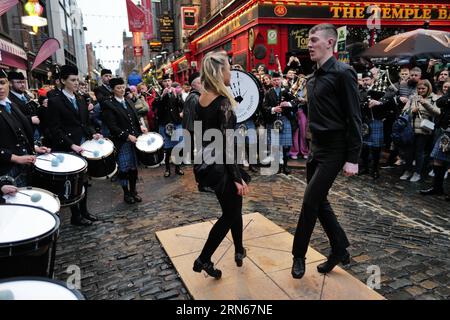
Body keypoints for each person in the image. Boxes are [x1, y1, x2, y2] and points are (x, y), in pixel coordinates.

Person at [291, 24, 362, 279]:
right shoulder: (312, 78)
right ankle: (339, 247)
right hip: (316, 148)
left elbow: (354, 117)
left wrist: (353, 158)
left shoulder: (344, 73)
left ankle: (298, 255)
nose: (309, 45)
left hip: (335, 150)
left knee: (310, 201)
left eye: (313, 40)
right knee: (320, 202)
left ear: (330, 42)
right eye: (309, 40)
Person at [192, 51, 250, 279]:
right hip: (223, 166)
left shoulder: (201, 99)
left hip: (210, 162)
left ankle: (238, 250)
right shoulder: (223, 102)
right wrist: (237, 177)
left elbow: (201, 136)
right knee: (230, 213)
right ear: (219, 72)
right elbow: (226, 146)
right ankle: (204, 258)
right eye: (228, 68)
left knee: (233, 210)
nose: (231, 73)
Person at [47, 65, 101, 226]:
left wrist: (93, 133)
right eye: (72, 80)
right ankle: (75, 216)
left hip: (83, 145)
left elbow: (85, 123)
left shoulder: (79, 98)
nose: (76, 83)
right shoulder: (55, 101)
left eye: (77, 79)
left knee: (84, 180)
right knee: (72, 183)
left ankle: (84, 211)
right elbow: (55, 129)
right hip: (67, 148)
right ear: (63, 81)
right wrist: (71, 145)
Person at [0, 69, 51, 188]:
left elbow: (18, 133)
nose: (0, 87)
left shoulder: (10, 104)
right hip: (6, 170)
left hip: (24, 164)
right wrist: (16, 158)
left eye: (2, 82)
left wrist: (35, 147)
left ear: (8, 83)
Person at [102, 78, 147, 204]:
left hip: (135, 140)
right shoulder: (109, 104)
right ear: (112, 90)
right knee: (124, 169)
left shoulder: (128, 101)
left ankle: (133, 191)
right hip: (122, 141)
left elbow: (135, 118)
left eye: (123, 87)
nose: (122, 90)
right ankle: (126, 193)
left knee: (134, 168)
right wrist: (127, 136)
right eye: (118, 88)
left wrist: (141, 127)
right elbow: (112, 126)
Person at [153, 74, 184, 177]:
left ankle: (178, 168)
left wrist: (177, 97)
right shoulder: (159, 94)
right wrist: (162, 97)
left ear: (171, 82)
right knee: (168, 148)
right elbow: (157, 110)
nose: (167, 83)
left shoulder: (176, 93)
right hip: (165, 124)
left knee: (178, 147)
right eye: (165, 81)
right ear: (162, 83)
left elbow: (182, 105)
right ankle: (167, 169)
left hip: (176, 123)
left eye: (169, 80)